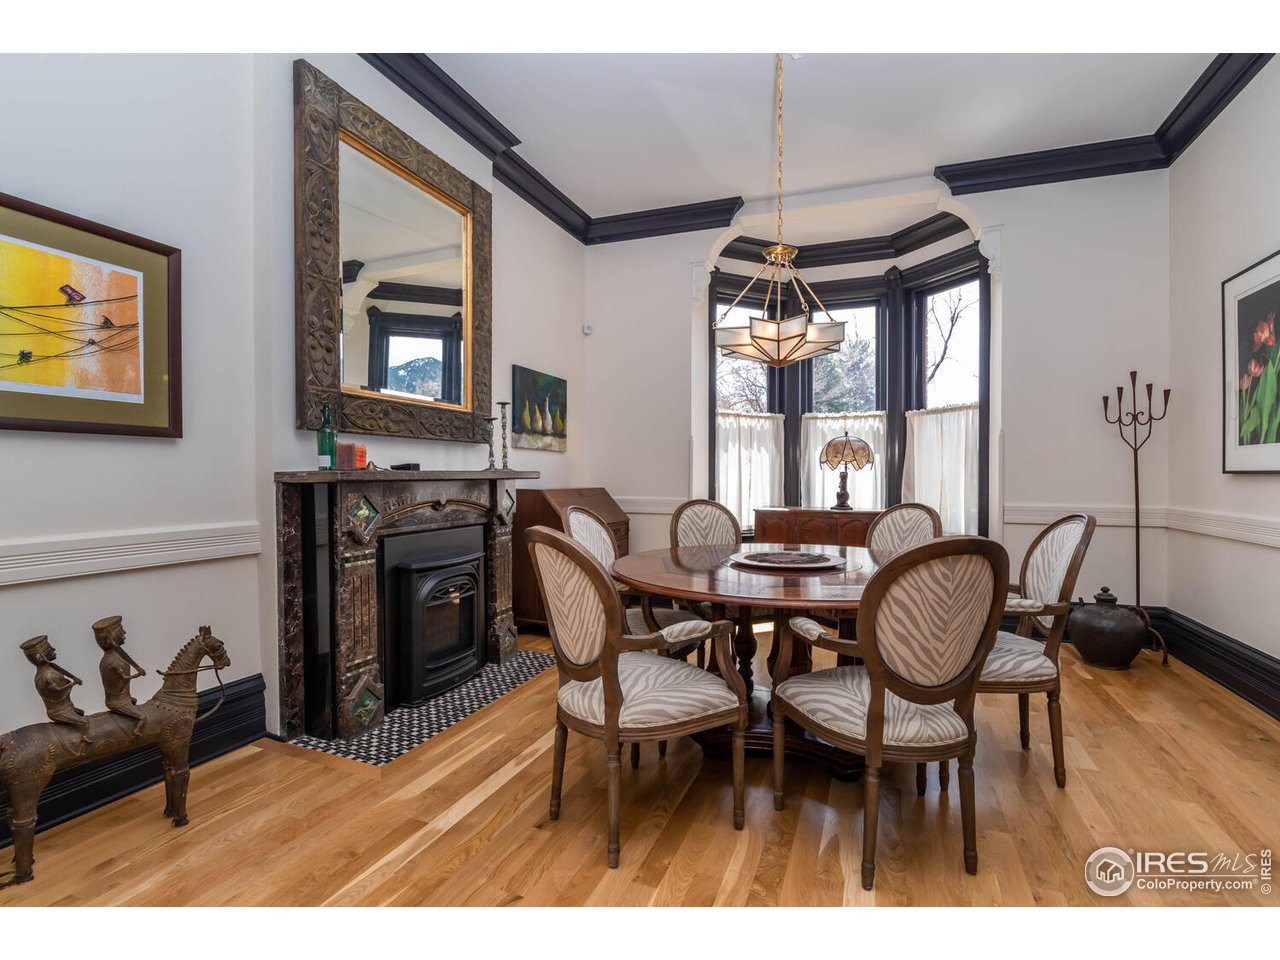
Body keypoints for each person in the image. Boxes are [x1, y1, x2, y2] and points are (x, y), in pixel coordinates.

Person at [21, 635, 92, 740]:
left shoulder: (51, 668)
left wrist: (72, 680)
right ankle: (86, 738)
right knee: (85, 722)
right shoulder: (47, 676)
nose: (53, 649)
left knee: (81, 713)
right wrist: (71, 684)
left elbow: (64, 679)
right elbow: (58, 690)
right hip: (60, 712)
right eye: (49, 649)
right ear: (40, 656)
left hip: (67, 707)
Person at [93, 615, 147, 733]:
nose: (124, 632)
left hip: (125, 697)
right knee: (143, 717)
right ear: (112, 637)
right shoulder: (114, 662)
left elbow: (126, 656)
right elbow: (125, 678)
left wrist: (137, 667)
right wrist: (137, 675)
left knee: (135, 702)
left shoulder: (116, 653)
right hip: (117, 702)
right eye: (121, 630)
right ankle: (137, 731)